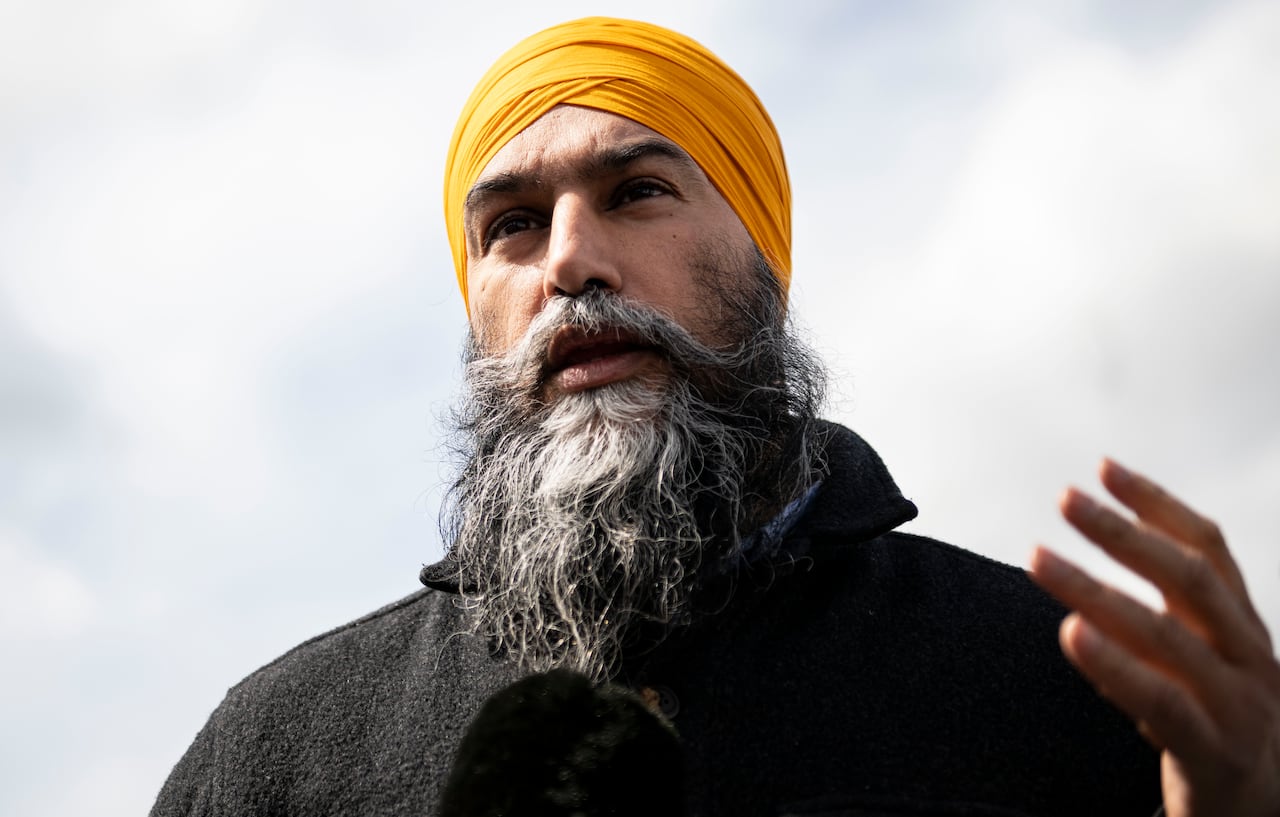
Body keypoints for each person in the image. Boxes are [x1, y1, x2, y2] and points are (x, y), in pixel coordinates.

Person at [150, 17, 1279, 817]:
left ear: (765, 264)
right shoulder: (275, 753)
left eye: (636, 192)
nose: (572, 264)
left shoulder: (1064, 684)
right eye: (512, 225)